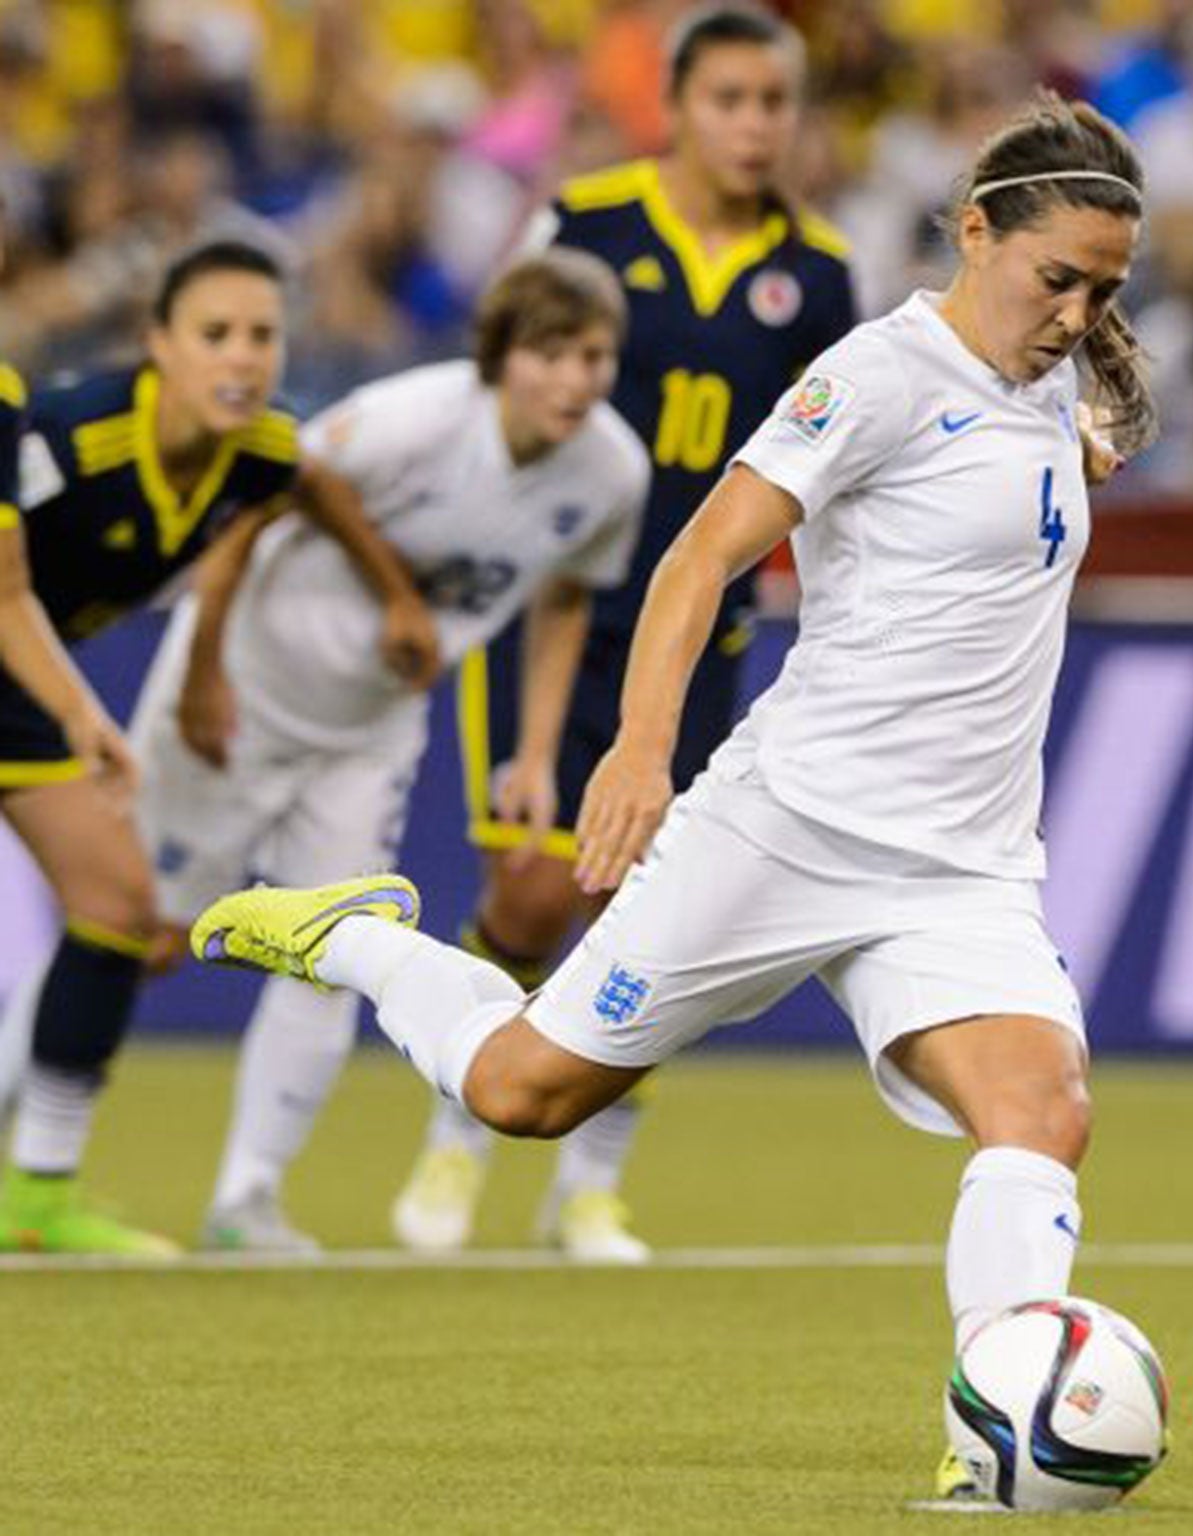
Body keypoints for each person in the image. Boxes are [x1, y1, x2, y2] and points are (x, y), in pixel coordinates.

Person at [192, 90, 1148, 1504]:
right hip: (786, 827)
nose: (1074, 311)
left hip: (963, 868)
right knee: (528, 1093)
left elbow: (1102, 409)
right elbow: (698, 557)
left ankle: (991, 1430)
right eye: (1055, 277)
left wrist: (1100, 381)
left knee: (1043, 1111)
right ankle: (350, 936)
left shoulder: (1067, 383)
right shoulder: (876, 376)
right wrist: (641, 751)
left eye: (1104, 288)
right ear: (973, 234)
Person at [388, 2, 856, 1264]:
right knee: (532, 894)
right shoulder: (586, 223)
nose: (755, 126)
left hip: (697, 629)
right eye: (731, 100)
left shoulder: (815, 275)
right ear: (681, 105)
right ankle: (458, 1138)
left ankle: (591, 1182)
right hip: (558, 603)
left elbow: (835, 454)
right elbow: (499, 379)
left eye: (775, 103)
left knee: (657, 912)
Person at [127, 250, 648, 1254]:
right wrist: (201, 665)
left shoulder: (611, 470)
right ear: (501, 355)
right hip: (245, 691)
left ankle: (247, 1199)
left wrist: (536, 751)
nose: (578, 380)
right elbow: (266, 488)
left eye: (596, 357)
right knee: (132, 936)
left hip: (370, 726)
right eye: (554, 354)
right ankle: (31, 1163)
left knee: (330, 950)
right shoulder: (415, 417)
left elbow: (565, 600)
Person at [0, 238, 435, 1256]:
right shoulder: (67, 441)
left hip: (22, 680)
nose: (242, 359)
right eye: (214, 337)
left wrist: (395, 591)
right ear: (157, 346)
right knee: (117, 907)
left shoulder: (259, 451)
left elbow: (310, 484)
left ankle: (37, 1195)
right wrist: (82, 714)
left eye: (262, 336)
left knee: (115, 910)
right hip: (24, 667)